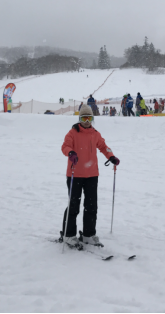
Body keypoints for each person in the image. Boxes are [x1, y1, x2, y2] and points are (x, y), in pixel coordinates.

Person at [61, 105, 120, 248]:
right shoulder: (72, 133)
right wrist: (71, 153)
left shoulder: (95, 134)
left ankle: (88, 234)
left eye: (89, 118)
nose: (87, 121)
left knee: (91, 206)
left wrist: (111, 156)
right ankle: (68, 235)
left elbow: (104, 147)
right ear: (79, 118)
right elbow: (65, 146)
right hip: (75, 174)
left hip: (92, 175)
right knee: (74, 206)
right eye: (84, 118)